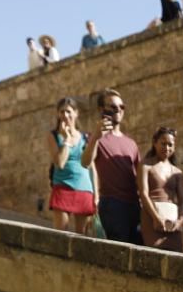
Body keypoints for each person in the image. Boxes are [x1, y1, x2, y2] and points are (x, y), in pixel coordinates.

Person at [84, 89, 148, 244]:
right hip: (113, 205)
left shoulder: (131, 143)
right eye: (113, 106)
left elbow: (137, 176)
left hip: (134, 205)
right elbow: (85, 162)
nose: (118, 109)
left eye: (121, 106)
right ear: (101, 109)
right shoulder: (97, 138)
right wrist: (95, 138)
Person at [48, 96, 96, 234]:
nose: (65, 115)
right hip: (62, 187)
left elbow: (92, 168)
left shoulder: (85, 137)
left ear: (76, 113)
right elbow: (60, 163)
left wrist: (96, 195)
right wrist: (67, 140)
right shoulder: (53, 136)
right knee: (60, 236)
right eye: (62, 112)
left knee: (82, 238)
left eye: (69, 111)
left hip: (84, 188)